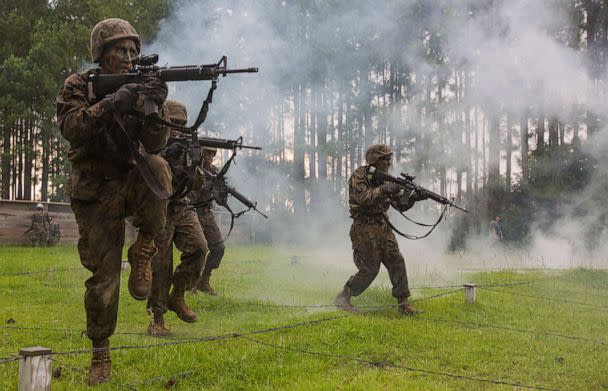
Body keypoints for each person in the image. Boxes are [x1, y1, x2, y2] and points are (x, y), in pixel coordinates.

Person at [56, 18, 172, 385]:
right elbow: (72, 128)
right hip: (95, 191)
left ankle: (145, 247)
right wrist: (109, 104)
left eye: (133, 51)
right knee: (103, 280)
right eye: (119, 50)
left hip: (131, 179)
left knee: (159, 167)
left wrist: (154, 108)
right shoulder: (79, 85)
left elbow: (156, 145)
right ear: (101, 55)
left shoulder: (141, 86)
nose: (128, 57)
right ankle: (100, 353)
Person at [334, 144, 427, 315]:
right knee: (370, 269)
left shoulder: (386, 179)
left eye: (390, 159)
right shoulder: (360, 175)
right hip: (364, 227)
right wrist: (383, 189)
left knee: (396, 260)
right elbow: (362, 198)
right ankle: (344, 297)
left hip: (382, 225)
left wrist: (414, 198)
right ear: (375, 160)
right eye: (385, 159)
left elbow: (400, 205)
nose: (389, 163)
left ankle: (403, 303)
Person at [147, 100, 208, 337]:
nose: (179, 129)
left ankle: (178, 294)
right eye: (174, 123)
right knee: (161, 262)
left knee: (200, 248)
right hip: (158, 207)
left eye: (183, 124)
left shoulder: (186, 147)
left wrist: (193, 162)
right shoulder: (150, 143)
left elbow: (197, 182)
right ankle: (157, 317)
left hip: (181, 205)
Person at [192, 146, 226, 296]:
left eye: (213, 153)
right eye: (208, 153)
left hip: (207, 213)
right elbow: (192, 195)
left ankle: (204, 280)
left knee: (219, 248)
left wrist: (222, 189)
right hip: (193, 213)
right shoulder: (193, 170)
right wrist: (206, 186)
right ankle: (191, 283)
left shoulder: (215, 172)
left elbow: (220, 201)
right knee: (197, 250)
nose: (210, 156)